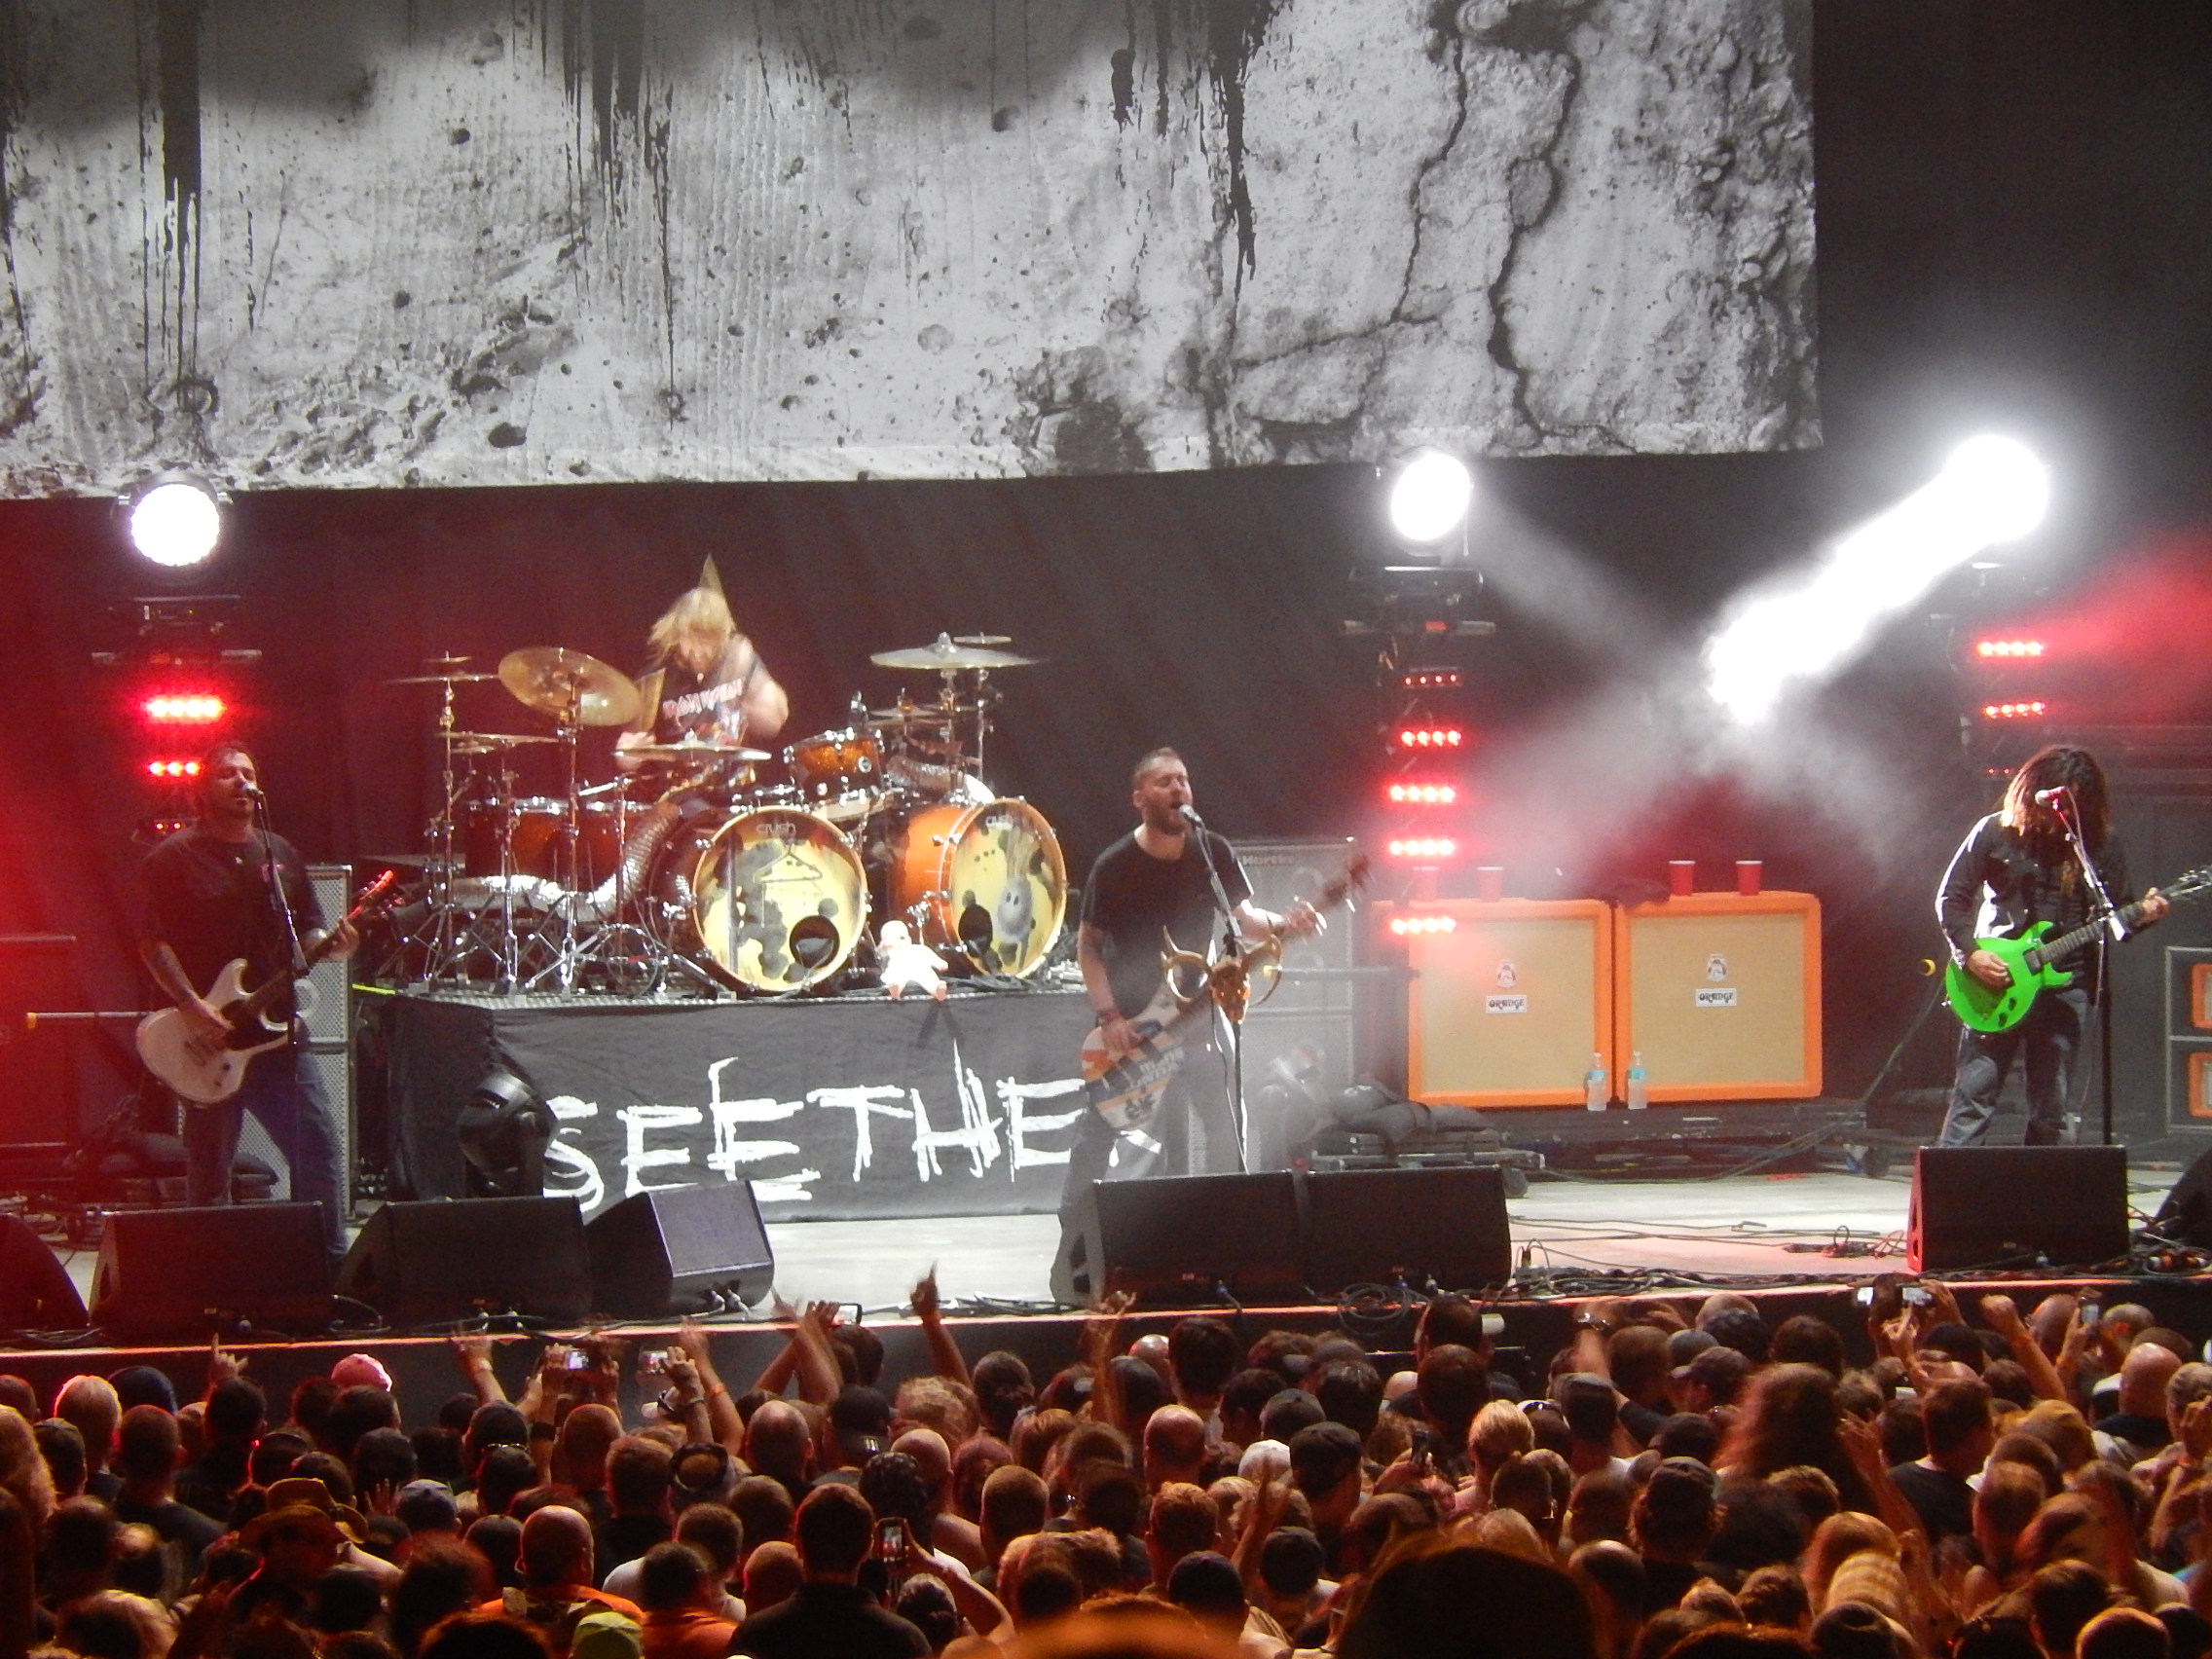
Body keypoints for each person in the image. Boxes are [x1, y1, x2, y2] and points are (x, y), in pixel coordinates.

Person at [1054, 752, 1306, 1284]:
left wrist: (1289, 922)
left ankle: (1227, 1241)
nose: (1179, 788)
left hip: (1193, 1018)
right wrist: (1109, 1016)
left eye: (1184, 780)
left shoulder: (1212, 853)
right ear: (1139, 798)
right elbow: (1089, 948)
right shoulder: (1114, 865)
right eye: (1165, 781)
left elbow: (1245, 920)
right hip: (1132, 1024)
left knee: (1222, 1122)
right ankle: (1073, 1246)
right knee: (1099, 1131)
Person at [138, 742, 355, 1265]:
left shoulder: (279, 854)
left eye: (248, 772)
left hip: (278, 1037)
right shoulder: (173, 857)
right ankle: (209, 1274)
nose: (241, 781)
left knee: (318, 1152)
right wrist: (193, 1007)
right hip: (210, 1037)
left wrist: (333, 945)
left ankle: (329, 1268)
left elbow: (307, 929)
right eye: (227, 774)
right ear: (202, 790)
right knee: (210, 1169)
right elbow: (152, 943)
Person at [1936, 744, 2167, 1146]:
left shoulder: (2098, 846)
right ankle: (1953, 1183)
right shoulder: (1995, 831)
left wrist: (2144, 915)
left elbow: (2116, 915)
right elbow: (1950, 898)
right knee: (1974, 1098)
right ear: (2032, 791)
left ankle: (2040, 1185)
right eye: (2054, 801)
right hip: (1997, 980)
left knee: (2050, 1111)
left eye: (2073, 804)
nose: (2058, 814)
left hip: (2066, 987)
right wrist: (1971, 954)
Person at [615, 585, 788, 761]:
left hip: (735, 775)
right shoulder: (655, 679)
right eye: (691, 638)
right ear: (676, 634)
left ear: (722, 636)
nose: (699, 650)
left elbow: (773, 723)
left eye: (708, 639)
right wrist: (628, 753)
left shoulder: (737, 660)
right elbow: (626, 759)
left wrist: (753, 700)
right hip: (678, 777)